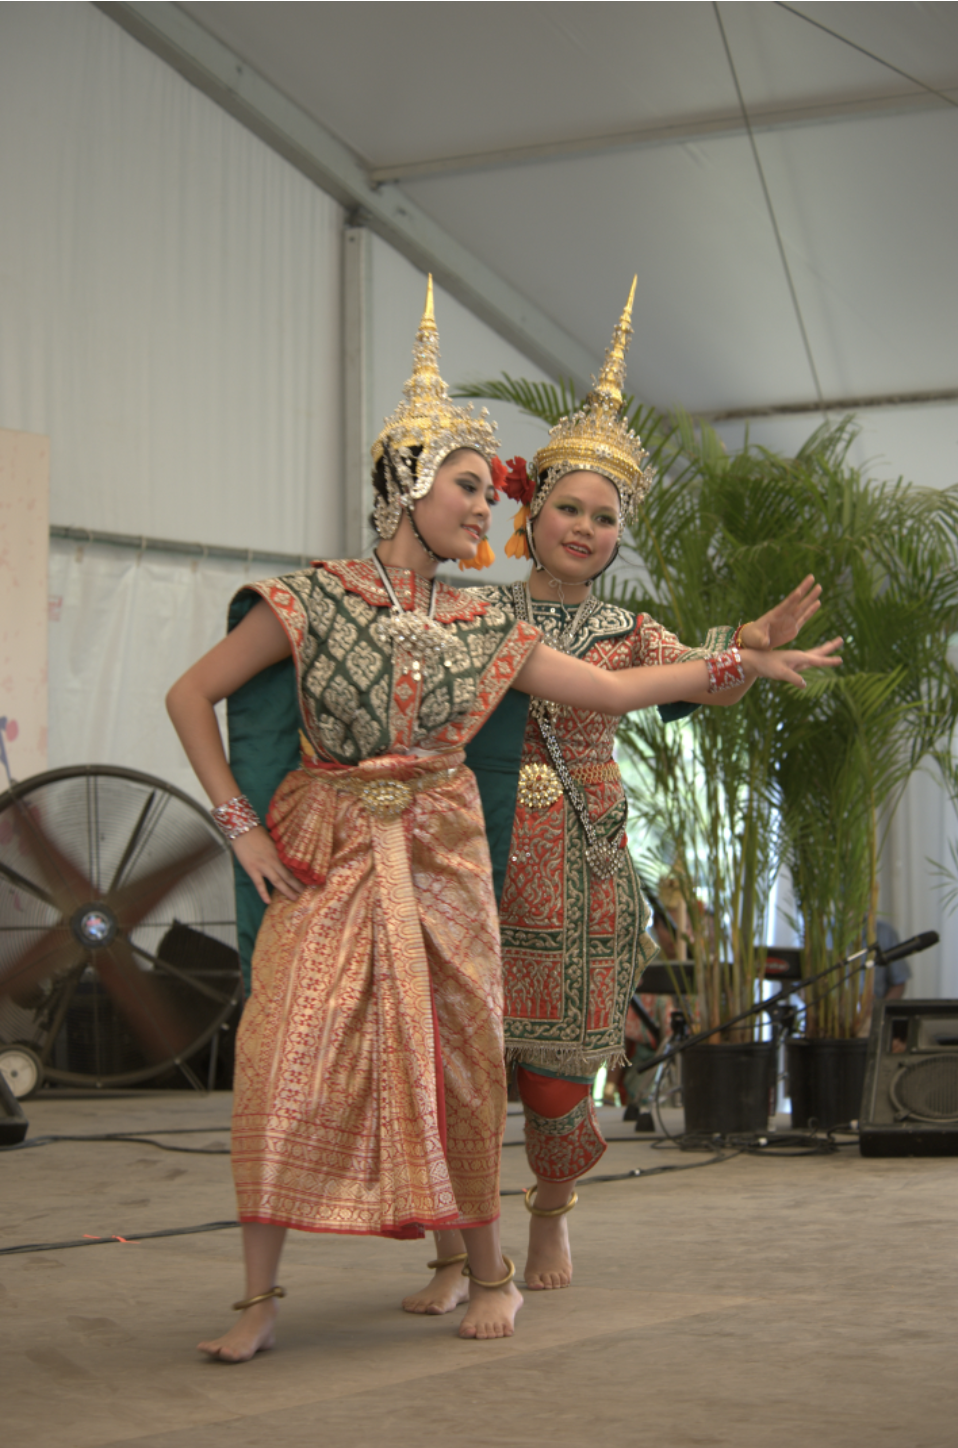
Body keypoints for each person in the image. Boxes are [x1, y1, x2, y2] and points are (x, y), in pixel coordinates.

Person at [167, 278, 840, 1360]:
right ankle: (333, 1281)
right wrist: (243, 822)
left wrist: (738, 654)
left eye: (598, 513)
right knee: (339, 1055)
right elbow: (201, 694)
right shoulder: (380, 600)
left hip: (505, 854)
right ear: (435, 492)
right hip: (385, 846)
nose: (518, 512)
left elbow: (635, 687)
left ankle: (518, 1241)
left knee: (506, 1062)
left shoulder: (541, 623)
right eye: (496, 493)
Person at [403, 281, 828, 1310]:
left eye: (605, 515)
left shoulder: (631, 633)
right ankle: (456, 1251)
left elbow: (689, 672)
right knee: (459, 1070)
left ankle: (548, 1211)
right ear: (529, 511)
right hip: (469, 847)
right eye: (569, 507)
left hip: (581, 865)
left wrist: (742, 650)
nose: (586, 526)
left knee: (551, 1072)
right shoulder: (466, 606)